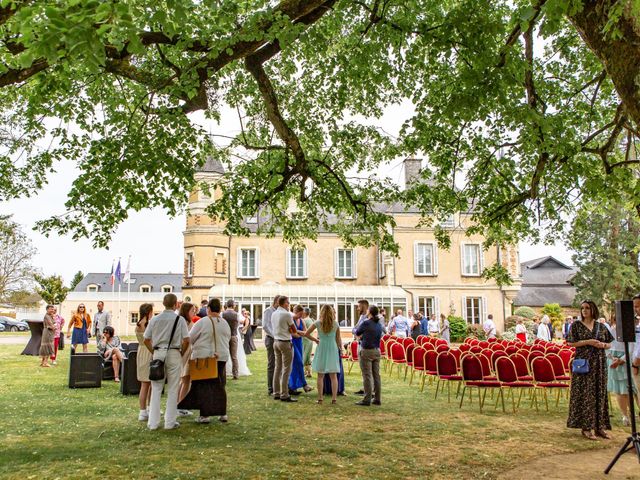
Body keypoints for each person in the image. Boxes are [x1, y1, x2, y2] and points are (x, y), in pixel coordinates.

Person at [179, 298, 231, 424]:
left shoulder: (203, 322)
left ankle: (205, 415)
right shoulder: (224, 323)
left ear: (208, 309)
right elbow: (228, 337)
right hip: (222, 356)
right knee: (219, 384)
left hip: (205, 357)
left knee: (204, 386)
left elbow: (190, 338)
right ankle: (222, 413)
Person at [567, 300, 613, 440]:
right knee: (586, 394)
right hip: (584, 364)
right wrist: (588, 342)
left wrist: (603, 345)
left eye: (587, 308)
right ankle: (586, 427)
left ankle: (600, 427)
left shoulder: (601, 326)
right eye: (582, 308)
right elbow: (570, 342)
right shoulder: (576, 325)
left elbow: (610, 344)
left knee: (599, 393)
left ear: (593, 309)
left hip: (599, 363)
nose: (584, 310)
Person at [143, 293, 190, 430]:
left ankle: (153, 423)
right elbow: (186, 340)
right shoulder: (179, 320)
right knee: (173, 388)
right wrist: (181, 352)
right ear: (176, 304)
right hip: (174, 352)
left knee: (156, 388)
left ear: (163, 303)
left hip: (158, 352)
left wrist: (154, 352)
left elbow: (146, 339)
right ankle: (169, 422)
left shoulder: (155, 319)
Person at [303, 304, 341, 404]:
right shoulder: (336, 324)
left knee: (320, 375)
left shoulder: (317, 323)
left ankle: (320, 398)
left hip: (322, 347)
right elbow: (338, 338)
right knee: (333, 375)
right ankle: (334, 399)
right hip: (332, 348)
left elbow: (306, 333)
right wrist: (340, 348)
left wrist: (315, 339)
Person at [605, 312, 636, 427]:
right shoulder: (611, 331)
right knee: (619, 390)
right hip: (613, 360)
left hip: (625, 360)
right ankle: (625, 415)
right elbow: (606, 347)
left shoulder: (629, 331)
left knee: (630, 390)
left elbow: (632, 348)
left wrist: (621, 360)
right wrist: (612, 358)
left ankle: (632, 413)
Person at [354, 305, 384, 406]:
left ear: (370, 312)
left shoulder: (366, 323)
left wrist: (361, 336)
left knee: (367, 375)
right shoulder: (378, 324)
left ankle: (367, 399)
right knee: (376, 376)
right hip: (377, 350)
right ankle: (377, 398)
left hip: (366, 350)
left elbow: (357, 331)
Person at [272, 296, 298, 402]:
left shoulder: (274, 313)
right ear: (284, 303)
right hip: (285, 342)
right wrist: (289, 329)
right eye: (288, 302)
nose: (289, 304)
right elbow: (294, 330)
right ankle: (284, 394)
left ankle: (276, 392)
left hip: (276, 341)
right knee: (287, 369)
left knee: (277, 368)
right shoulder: (287, 314)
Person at [135, 303, 154, 422]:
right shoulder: (148, 324)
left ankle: (144, 410)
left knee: (144, 384)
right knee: (149, 383)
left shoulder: (138, 324)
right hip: (149, 351)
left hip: (141, 352)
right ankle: (147, 408)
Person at [177, 302, 196, 417]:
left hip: (188, 352)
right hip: (185, 352)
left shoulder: (188, 322)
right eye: (192, 310)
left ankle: (179, 404)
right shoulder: (183, 323)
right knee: (185, 379)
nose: (194, 312)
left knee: (185, 380)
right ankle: (181, 405)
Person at [289, 305, 312, 394]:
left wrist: (299, 332)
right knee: (298, 363)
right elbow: (293, 333)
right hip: (293, 343)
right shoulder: (291, 319)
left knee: (298, 364)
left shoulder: (302, 320)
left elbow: (305, 332)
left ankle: (293, 386)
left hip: (300, 344)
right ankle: (303, 385)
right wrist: (299, 333)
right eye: (300, 314)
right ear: (295, 312)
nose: (301, 316)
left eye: (302, 314)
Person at [262, 295, 279, 396]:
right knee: (272, 363)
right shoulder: (268, 311)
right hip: (271, 339)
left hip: (278, 339)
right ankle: (270, 387)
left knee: (279, 364)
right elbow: (265, 326)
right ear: (276, 302)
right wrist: (275, 336)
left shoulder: (278, 312)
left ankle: (277, 386)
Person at [222, 299, 240, 380]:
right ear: (233, 305)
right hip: (233, 335)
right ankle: (235, 374)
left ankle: (223, 374)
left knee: (224, 356)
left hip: (224, 336)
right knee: (234, 356)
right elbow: (238, 324)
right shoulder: (236, 314)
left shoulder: (223, 314)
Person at [302, 307, 314, 378]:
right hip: (310, 341)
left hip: (305, 340)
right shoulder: (311, 320)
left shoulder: (304, 321)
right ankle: (309, 372)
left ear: (304, 313)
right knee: (308, 357)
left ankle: (303, 372)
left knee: (303, 356)